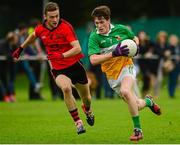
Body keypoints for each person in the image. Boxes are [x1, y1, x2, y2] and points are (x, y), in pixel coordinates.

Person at [12, 2, 94, 134]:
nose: (55, 19)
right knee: (66, 88)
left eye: (57, 16)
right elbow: (33, 35)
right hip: (58, 69)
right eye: (51, 17)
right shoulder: (40, 29)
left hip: (75, 66)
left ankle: (88, 110)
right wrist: (21, 48)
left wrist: (61, 55)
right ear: (45, 17)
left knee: (87, 98)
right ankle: (78, 122)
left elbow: (77, 49)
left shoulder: (66, 27)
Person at [88, 5, 161, 141]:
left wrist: (136, 47)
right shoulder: (94, 37)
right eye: (96, 23)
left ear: (108, 20)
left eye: (102, 22)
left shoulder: (120, 29)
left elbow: (134, 38)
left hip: (126, 66)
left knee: (126, 91)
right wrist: (113, 53)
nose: (99, 25)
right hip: (111, 76)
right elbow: (93, 60)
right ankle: (148, 102)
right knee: (136, 105)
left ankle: (138, 130)